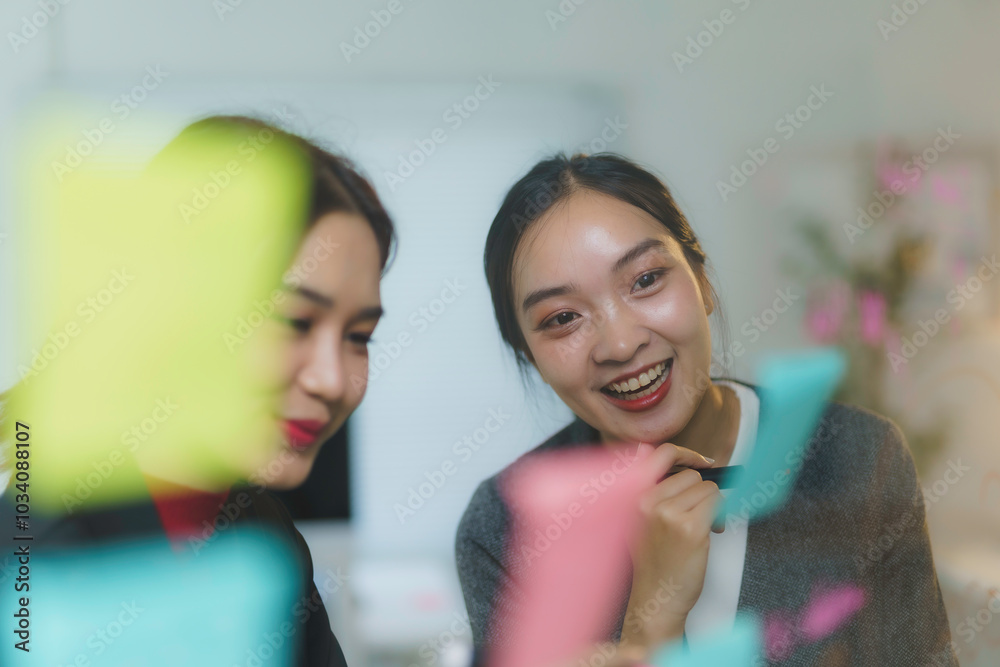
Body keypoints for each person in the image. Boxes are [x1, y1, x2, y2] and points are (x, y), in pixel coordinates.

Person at [455, 153, 957, 665]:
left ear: (703, 281)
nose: (621, 344)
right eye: (562, 317)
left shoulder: (856, 456)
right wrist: (652, 618)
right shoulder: (505, 524)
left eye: (646, 280)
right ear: (529, 355)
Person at [1, 115, 395, 667]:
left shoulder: (264, 533)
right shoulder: (34, 554)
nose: (331, 379)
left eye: (359, 337)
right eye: (295, 322)